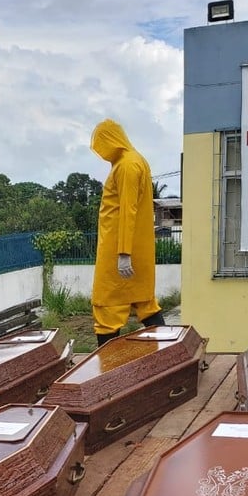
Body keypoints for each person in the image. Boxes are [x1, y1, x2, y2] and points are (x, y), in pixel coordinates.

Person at [89, 118, 165, 346]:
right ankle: (172, 355)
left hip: (118, 251)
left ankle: (104, 366)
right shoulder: (134, 161)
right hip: (134, 248)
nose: (100, 151)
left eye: (101, 143)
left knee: (105, 306)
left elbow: (128, 210)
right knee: (145, 303)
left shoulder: (127, 165)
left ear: (111, 140)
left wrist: (123, 253)